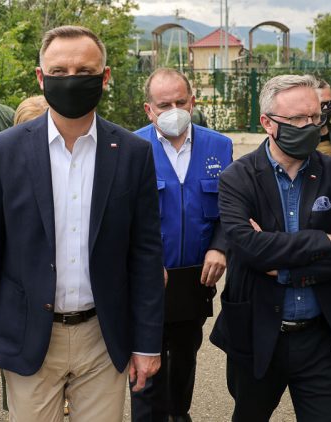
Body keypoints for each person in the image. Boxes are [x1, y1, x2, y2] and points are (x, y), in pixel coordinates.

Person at [0, 25, 165, 421]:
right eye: (59, 71)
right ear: (41, 77)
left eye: (84, 71)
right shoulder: (5, 151)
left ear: (105, 77)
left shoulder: (133, 153)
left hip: (102, 336)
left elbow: (145, 254)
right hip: (28, 331)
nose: (71, 80)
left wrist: (147, 343)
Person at [210, 74, 331, 422]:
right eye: (298, 119)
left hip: (321, 336)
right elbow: (250, 249)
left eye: (315, 116)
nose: (311, 126)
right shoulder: (237, 177)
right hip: (257, 332)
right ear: (268, 122)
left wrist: (284, 269)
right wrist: (324, 240)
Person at [131, 68, 232, 422]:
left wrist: (221, 246)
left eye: (180, 101)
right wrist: (144, 262)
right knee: (146, 360)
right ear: (149, 109)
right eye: (164, 105)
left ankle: (179, 414)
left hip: (195, 278)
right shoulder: (131, 148)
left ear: (192, 101)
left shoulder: (219, 146)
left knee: (186, 353)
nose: (173, 110)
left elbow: (230, 209)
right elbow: (120, 218)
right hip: (148, 278)